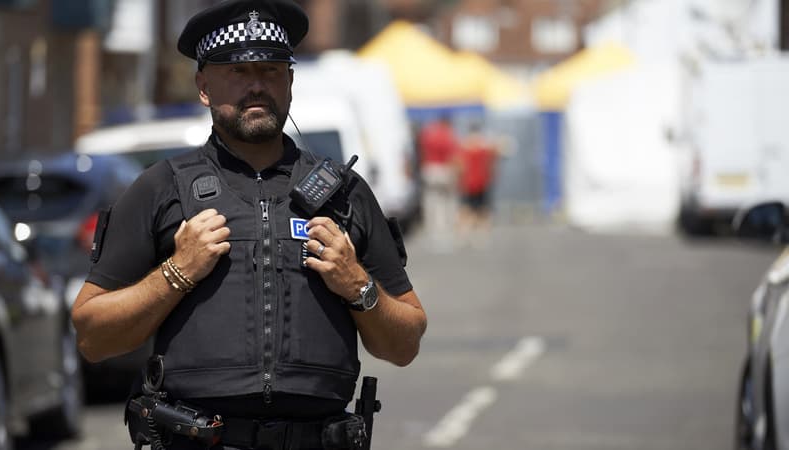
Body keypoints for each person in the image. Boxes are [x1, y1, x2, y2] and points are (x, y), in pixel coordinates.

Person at [70, 1, 427, 449]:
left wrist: (357, 284)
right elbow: (92, 337)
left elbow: (405, 343)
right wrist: (176, 272)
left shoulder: (345, 194)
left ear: (290, 82)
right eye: (238, 72)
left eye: (271, 71)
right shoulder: (161, 189)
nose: (257, 86)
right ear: (204, 87)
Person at [417, 115, 459, 251]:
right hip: (444, 170)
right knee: (446, 203)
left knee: (431, 202)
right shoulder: (448, 134)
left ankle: (432, 232)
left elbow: (421, 151)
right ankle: (444, 234)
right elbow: (453, 155)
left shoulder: (428, 133)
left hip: (429, 169)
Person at [456, 120, 500, 246]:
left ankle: (464, 235)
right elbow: (493, 161)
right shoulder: (485, 146)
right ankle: (482, 236)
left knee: (466, 210)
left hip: (468, 183)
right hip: (482, 182)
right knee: (483, 209)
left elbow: (459, 165)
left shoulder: (464, 146)